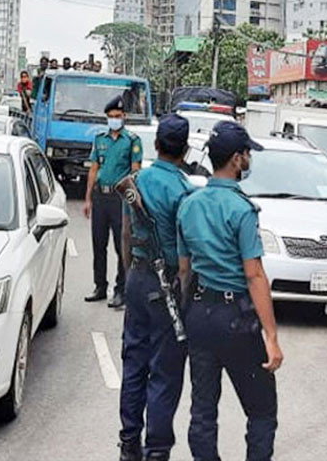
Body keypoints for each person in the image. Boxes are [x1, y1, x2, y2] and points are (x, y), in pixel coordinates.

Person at [177, 121, 282, 461]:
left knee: (203, 409)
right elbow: (254, 275)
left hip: (199, 314)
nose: (250, 159)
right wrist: (271, 336)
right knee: (262, 410)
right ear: (237, 159)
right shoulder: (242, 209)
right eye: (248, 154)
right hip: (236, 319)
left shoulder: (190, 204)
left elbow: (184, 268)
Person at [117, 114, 194, 461]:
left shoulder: (135, 181)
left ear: (157, 146)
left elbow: (126, 234)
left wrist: (130, 274)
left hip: (137, 277)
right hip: (167, 289)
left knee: (134, 363)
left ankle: (128, 443)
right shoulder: (184, 193)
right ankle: (157, 451)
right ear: (186, 150)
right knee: (164, 371)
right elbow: (185, 257)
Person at [84, 95, 142, 307]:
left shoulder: (132, 141)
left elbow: (135, 172)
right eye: (110, 117)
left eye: (117, 116)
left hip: (120, 200)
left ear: (124, 116)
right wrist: (88, 198)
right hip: (101, 196)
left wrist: (133, 202)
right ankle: (100, 286)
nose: (114, 120)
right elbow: (93, 169)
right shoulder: (100, 139)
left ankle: (121, 290)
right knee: (99, 243)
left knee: (121, 245)